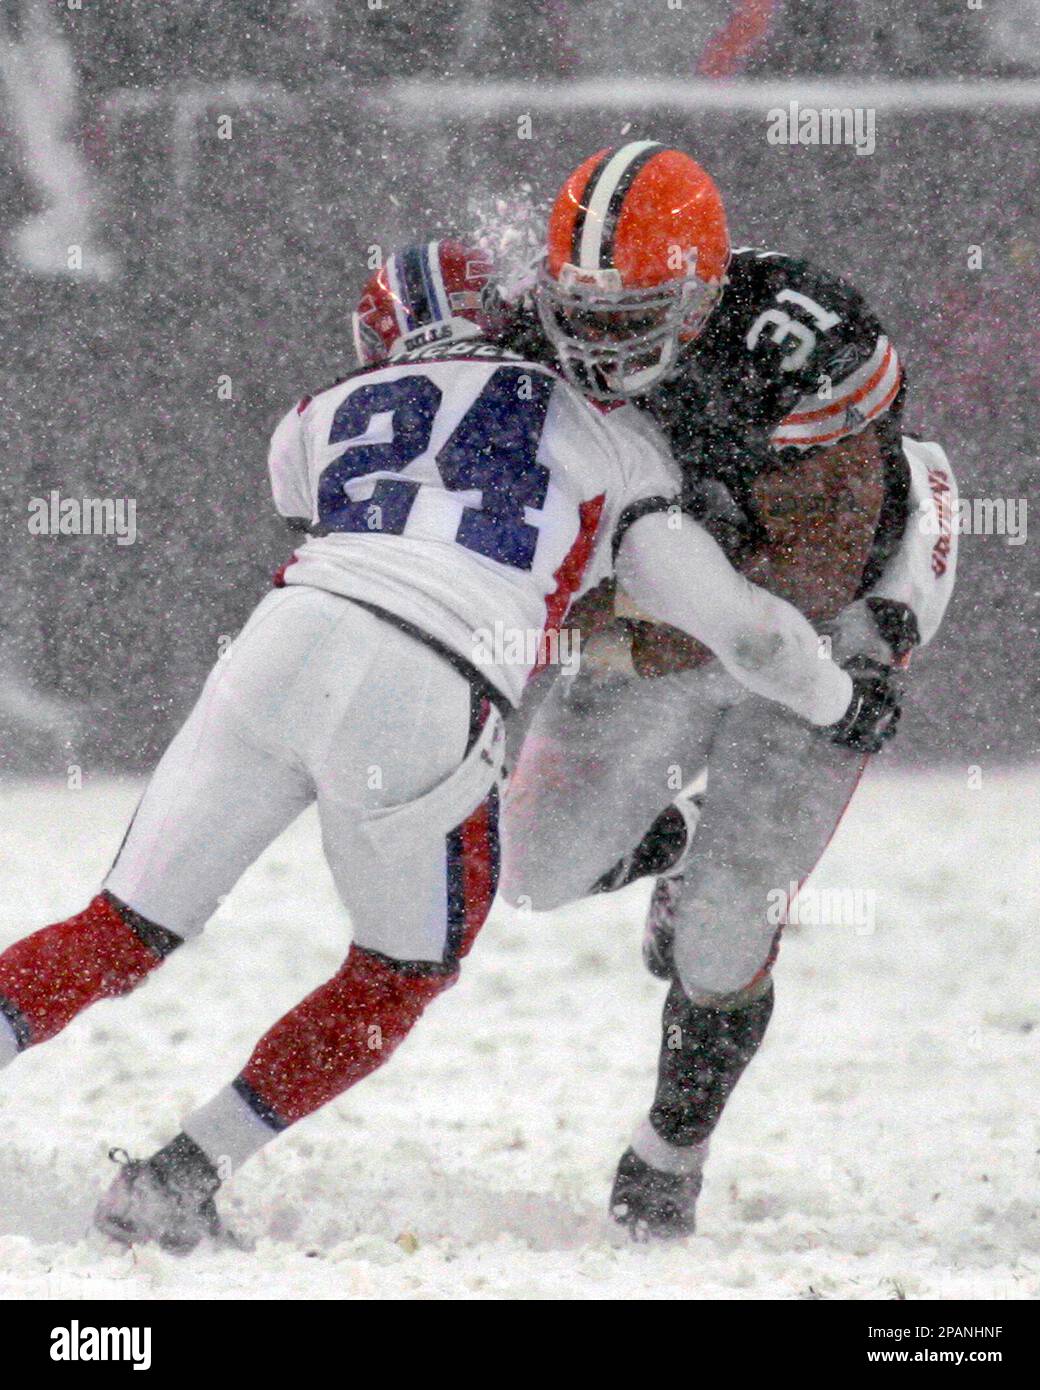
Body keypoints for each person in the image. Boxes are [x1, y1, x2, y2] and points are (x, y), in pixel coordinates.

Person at [0, 237, 871, 1251]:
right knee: (398, 971)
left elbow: (328, 493)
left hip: (282, 642)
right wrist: (833, 694)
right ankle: (178, 1177)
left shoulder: (319, 412)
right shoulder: (615, 442)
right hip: (426, 680)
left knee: (120, 928)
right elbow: (752, 633)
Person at [499, 142, 959, 1238]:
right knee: (527, 869)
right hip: (681, 616)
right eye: (584, 313)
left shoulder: (800, 345)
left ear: (702, 290)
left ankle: (669, 1151)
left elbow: (805, 579)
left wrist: (671, 619)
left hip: (831, 619)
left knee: (719, 935)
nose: (601, 343)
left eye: (637, 313)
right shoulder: (534, 337)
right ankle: (676, 837)